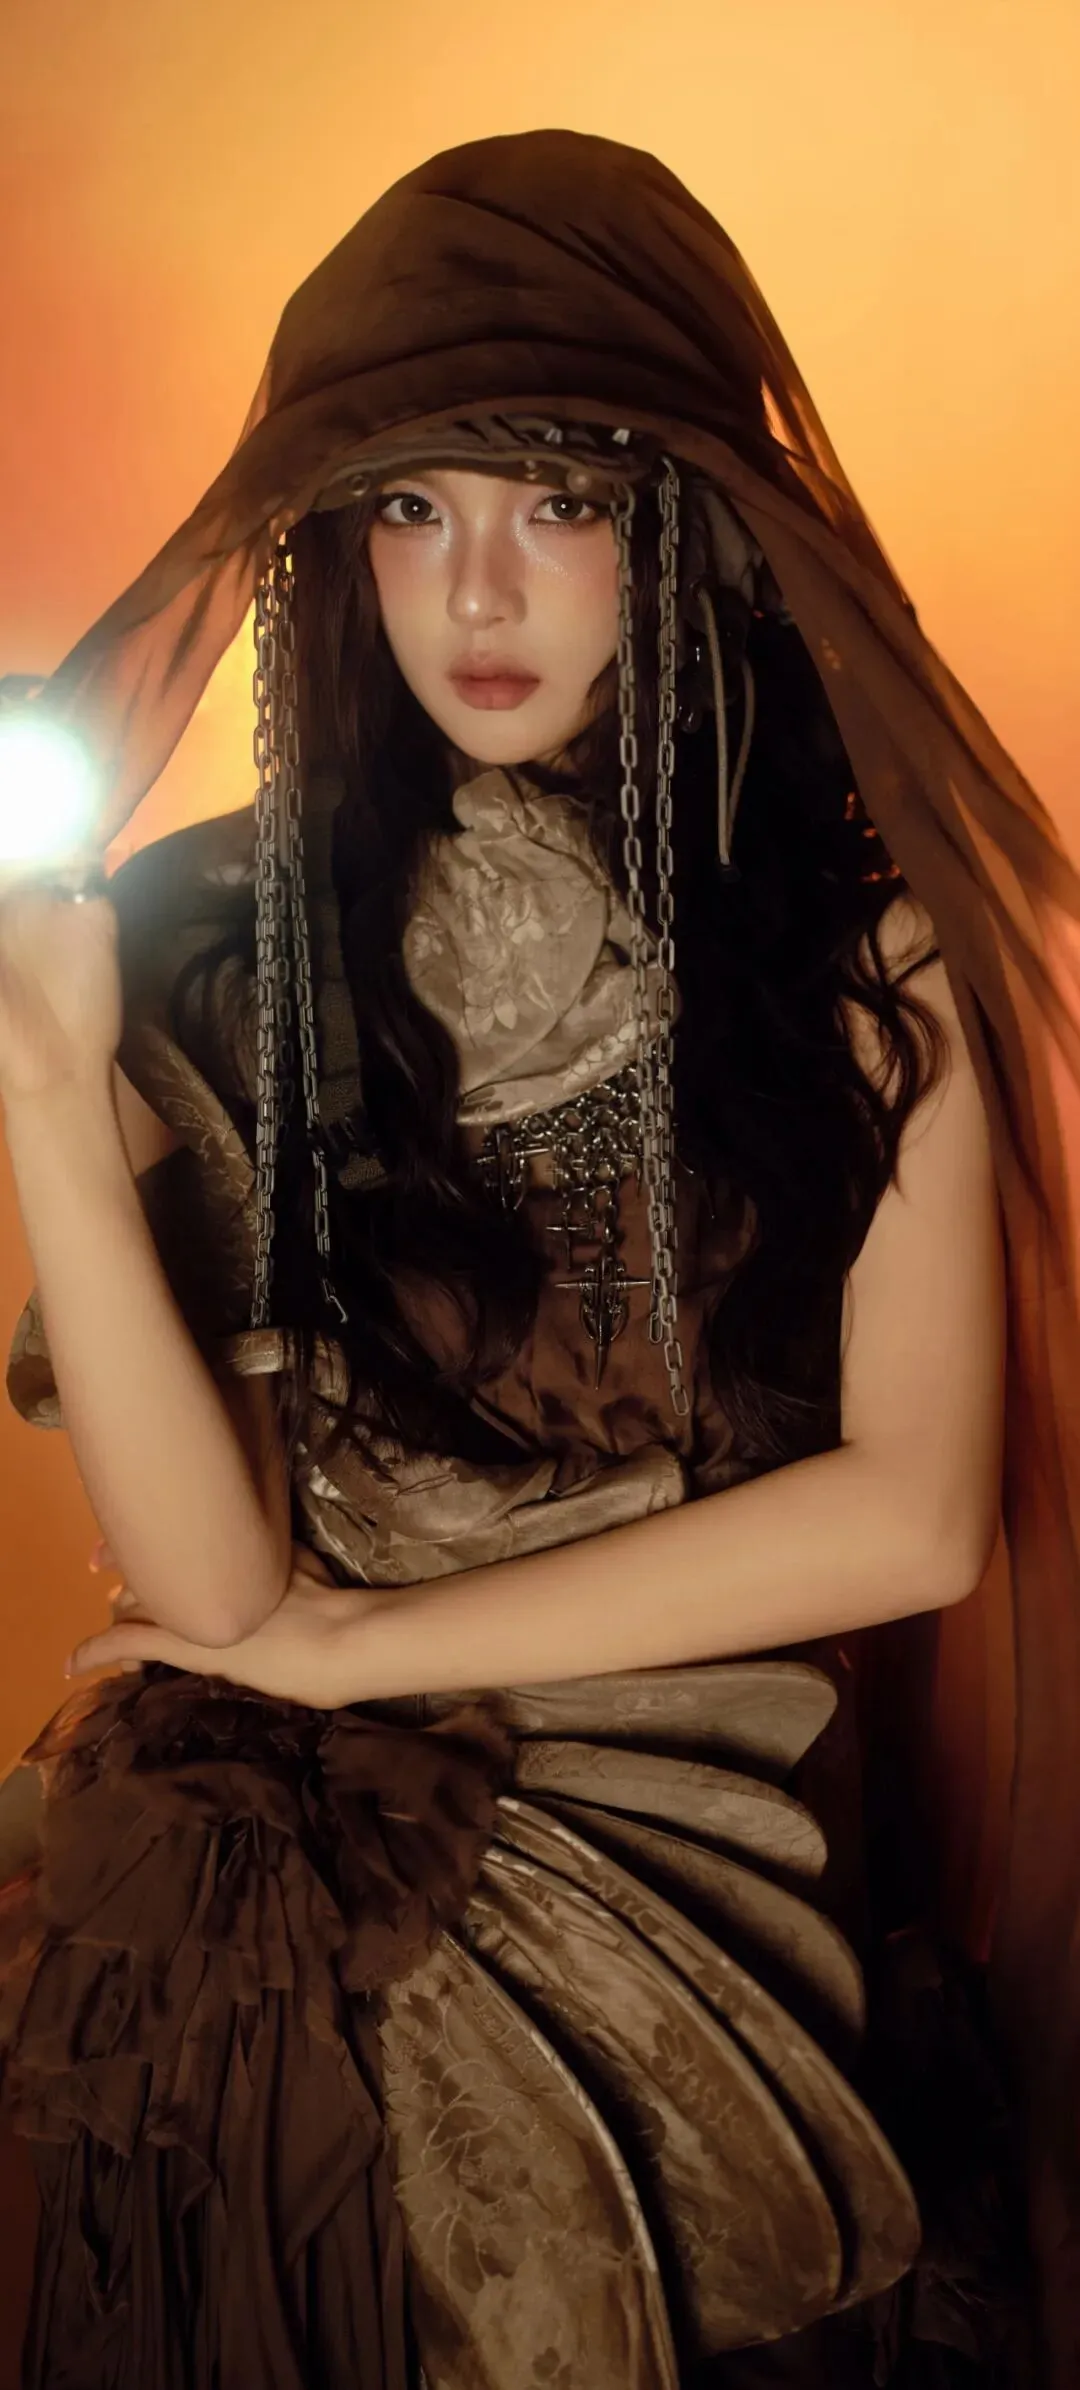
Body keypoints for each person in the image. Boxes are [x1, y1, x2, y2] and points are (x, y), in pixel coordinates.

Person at [0, 127, 1074, 2387]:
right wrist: (46, 1109)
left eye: (556, 501)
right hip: (272, 1833)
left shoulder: (866, 956)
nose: (474, 591)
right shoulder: (206, 934)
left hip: (688, 1840)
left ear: (690, 522)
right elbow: (213, 1589)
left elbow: (917, 1515)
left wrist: (361, 1653)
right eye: (407, 507)